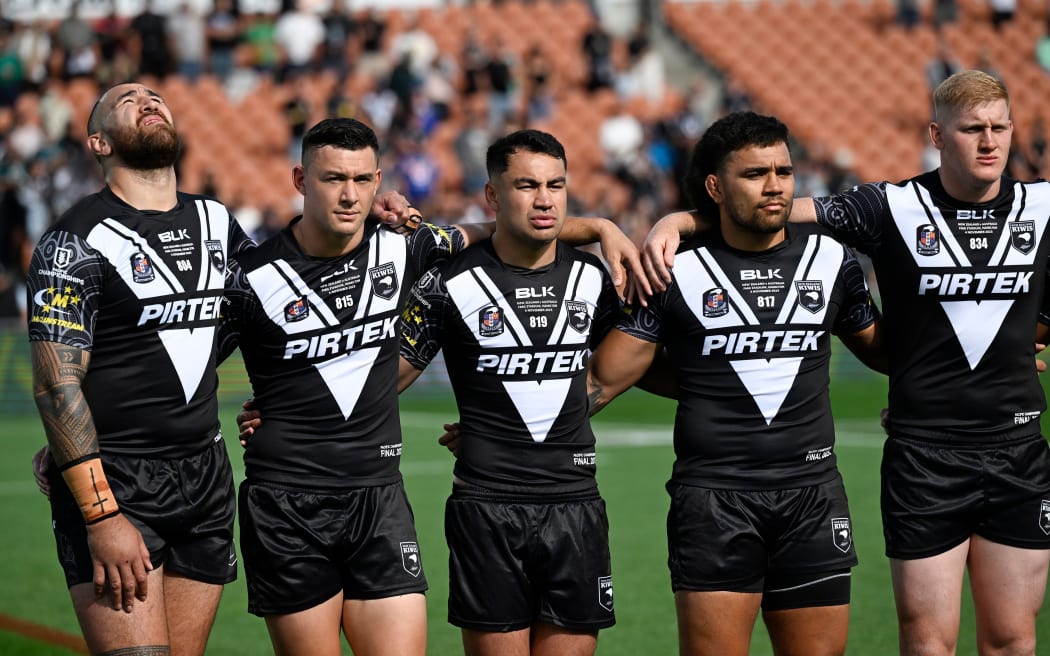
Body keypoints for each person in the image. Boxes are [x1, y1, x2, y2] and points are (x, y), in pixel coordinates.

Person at [644, 71, 1050, 656]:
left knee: (1014, 639)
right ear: (938, 134)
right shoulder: (887, 205)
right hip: (925, 456)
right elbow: (770, 209)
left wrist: (1012, 351)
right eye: (972, 129)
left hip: (1019, 450)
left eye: (998, 128)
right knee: (929, 641)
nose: (988, 142)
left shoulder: (1042, 208)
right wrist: (676, 222)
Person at [223, 120, 643, 656]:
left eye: (360, 179)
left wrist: (603, 227)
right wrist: (275, 406)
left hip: (379, 500)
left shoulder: (410, 249)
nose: (349, 194)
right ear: (301, 179)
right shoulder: (249, 277)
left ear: (378, 181)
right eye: (333, 178)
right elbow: (184, 364)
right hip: (286, 501)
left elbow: (509, 226)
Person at [586, 111, 884, 656]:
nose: (774, 186)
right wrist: (505, 430)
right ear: (715, 187)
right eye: (754, 174)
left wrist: (986, 356)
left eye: (783, 171)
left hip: (812, 496)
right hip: (715, 501)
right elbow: (601, 382)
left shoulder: (833, 261)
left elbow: (886, 352)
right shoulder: (670, 271)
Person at [25, 82, 253, 655]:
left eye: (154, 95)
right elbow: (57, 382)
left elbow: (271, 313)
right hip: (119, 484)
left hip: (207, 476)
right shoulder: (71, 241)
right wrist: (102, 515)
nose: (148, 101)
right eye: (126, 100)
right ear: (98, 142)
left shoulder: (216, 221)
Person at [397, 129, 621, 655]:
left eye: (556, 184)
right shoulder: (448, 282)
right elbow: (385, 381)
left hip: (576, 507)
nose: (544, 198)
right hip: (486, 509)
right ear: (493, 196)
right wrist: (291, 410)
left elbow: (629, 362)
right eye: (526, 185)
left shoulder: (593, 276)